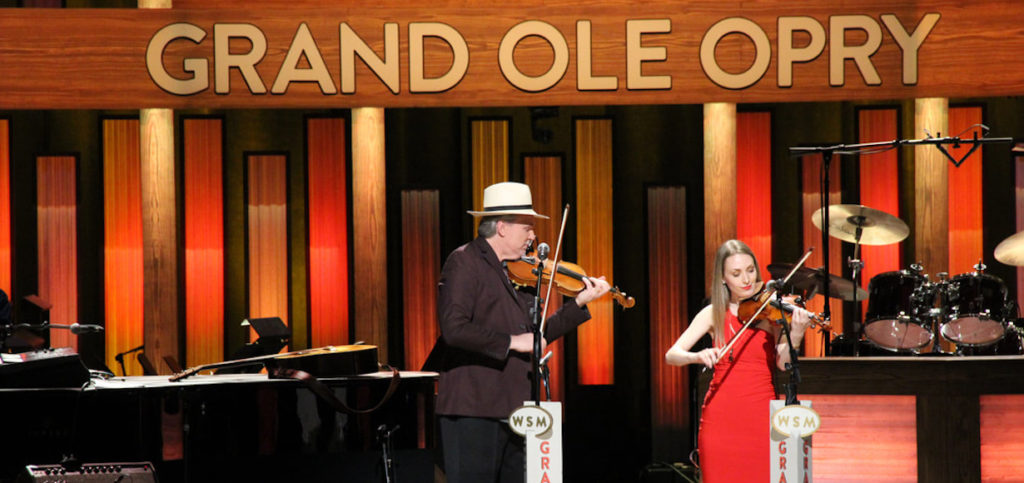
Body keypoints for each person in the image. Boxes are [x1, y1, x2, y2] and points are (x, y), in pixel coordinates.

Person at [433, 181, 610, 483]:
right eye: (527, 228)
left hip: (518, 410)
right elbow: (454, 328)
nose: (533, 236)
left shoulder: (519, 271)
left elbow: (536, 338)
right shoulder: (464, 261)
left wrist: (580, 302)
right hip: (474, 410)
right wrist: (513, 342)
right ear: (502, 227)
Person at [664, 239, 812, 482]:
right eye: (736, 274)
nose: (746, 279)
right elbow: (672, 355)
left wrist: (796, 334)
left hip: (761, 415)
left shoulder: (770, 312)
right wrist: (697, 356)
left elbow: (783, 364)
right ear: (723, 279)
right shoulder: (712, 313)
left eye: (750, 270)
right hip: (720, 419)